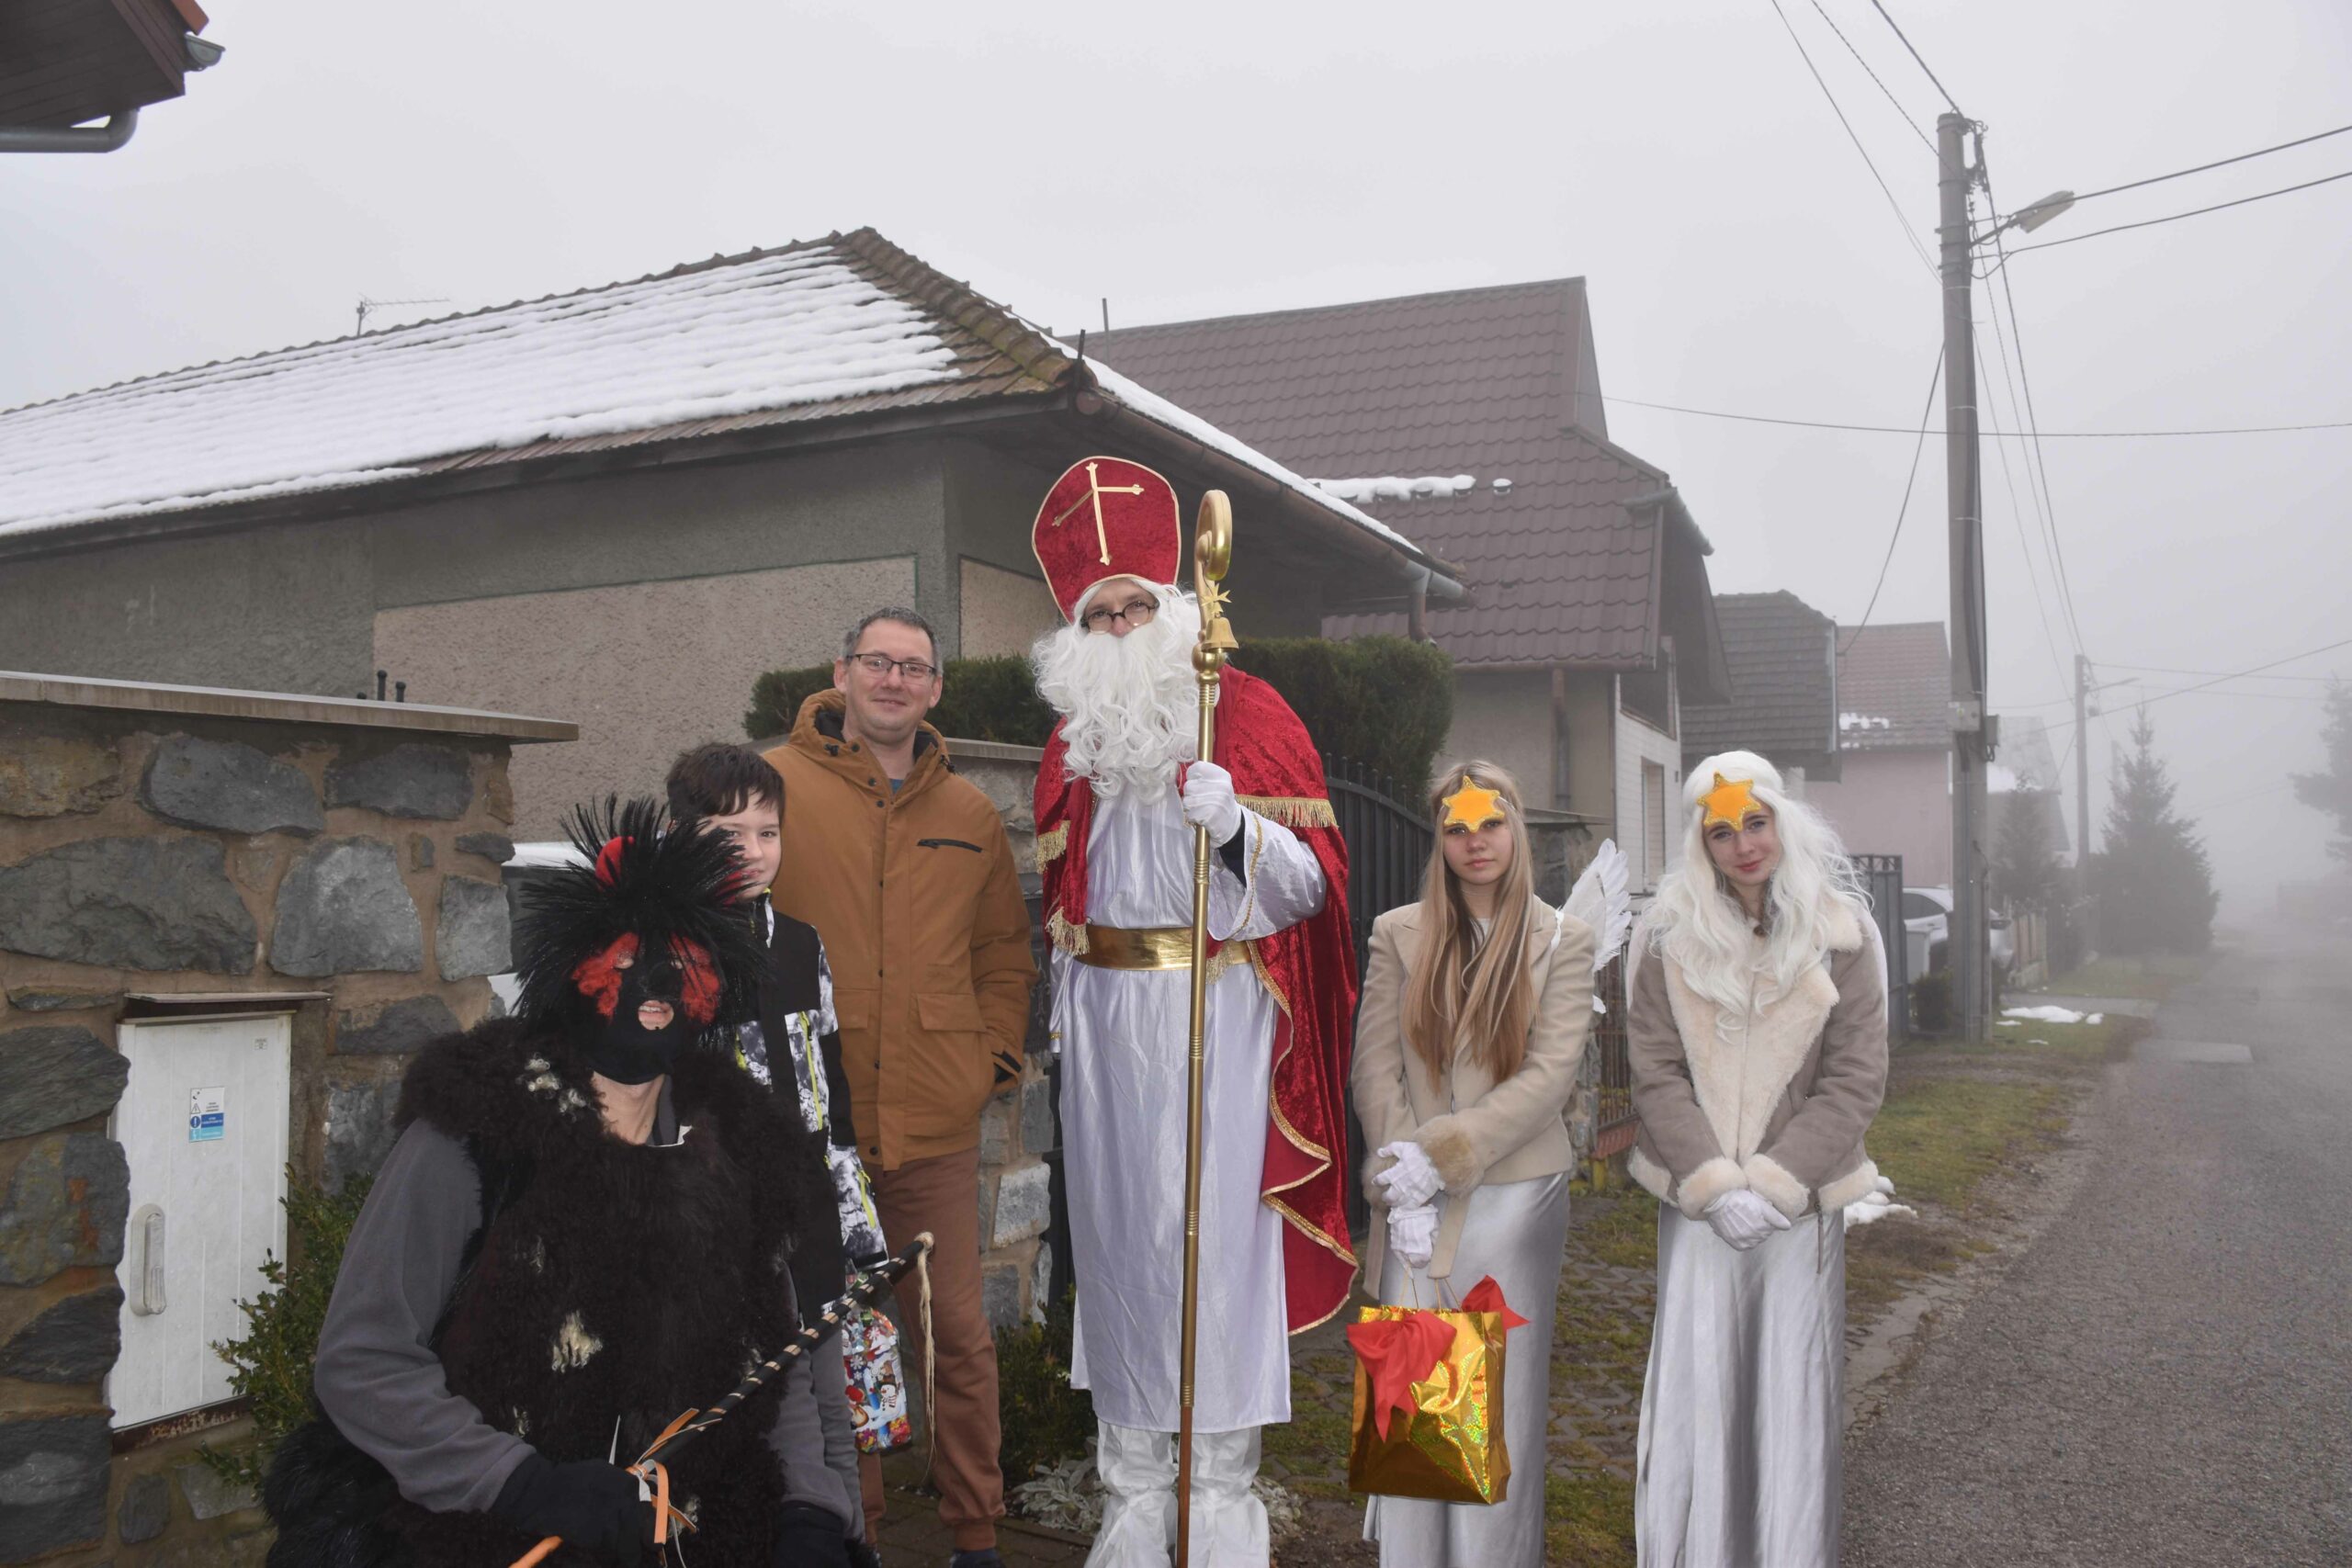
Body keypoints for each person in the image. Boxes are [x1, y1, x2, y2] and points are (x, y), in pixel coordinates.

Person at [267, 797, 855, 1568]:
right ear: (575, 972)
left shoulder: (738, 1151)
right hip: (479, 1536)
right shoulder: (479, 1136)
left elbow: (779, 1367)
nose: (654, 988)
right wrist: (522, 1483)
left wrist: (810, 1509)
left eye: (682, 964)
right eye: (625, 962)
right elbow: (363, 1359)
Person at [1027, 456, 1359, 1568]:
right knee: (1120, 1254)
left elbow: (1310, 892)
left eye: (1134, 607)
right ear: (1076, 633)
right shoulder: (1073, 745)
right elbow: (1062, 908)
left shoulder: (1244, 713)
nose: (1120, 627)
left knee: (1213, 1257)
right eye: (1099, 613)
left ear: (1172, 608)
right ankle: (1133, 1501)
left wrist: (1236, 829)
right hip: (1106, 1035)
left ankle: (1216, 1506)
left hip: (1215, 1017)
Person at [763, 608, 1037, 1568]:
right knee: (829, 1338)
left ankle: (975, 1532)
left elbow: (1004, 952)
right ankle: (857, 1532)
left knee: (954, 1335)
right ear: (840, 671)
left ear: (935, 689)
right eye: (876, 662)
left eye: (913, 668)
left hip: (932, 1125)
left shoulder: (968, 813)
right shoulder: (776, 789)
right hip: (812, 1131)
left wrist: (989, 1061)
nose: (893, 680)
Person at [1351, 761, 1623, 1568]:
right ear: (1439, 838)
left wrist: (1443, 1156)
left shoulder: (1561, 939)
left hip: (1512, 1197)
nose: (1477, 842)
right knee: (1415, 1403)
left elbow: (1548, 1076)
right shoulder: (1396, 932)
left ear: (1517, 829)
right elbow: (1375, 1064)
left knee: (1493, 1407)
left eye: (1492, 823)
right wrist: (1402, 1172)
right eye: (1458, 827)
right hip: (1411, 1201)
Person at [1626, 750, 1890, 1568]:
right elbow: (1654, 1071)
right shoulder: (1667, 938)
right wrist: (1713, 1186)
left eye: (1756, 822)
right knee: (1699, 1392)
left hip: (1796, 1212)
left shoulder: (1844, 934)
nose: (1743, 844)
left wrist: (1775, 1184)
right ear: (1700, 843)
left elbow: (1856, 1076)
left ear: (1782, 821)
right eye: (1722, 831)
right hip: (1700, 1209)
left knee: (1789, 1397)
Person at [666, 741, 890, 1556]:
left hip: (812, 1211)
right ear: (684, 836)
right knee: (756, 1410)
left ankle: (850, 1546)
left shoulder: (800, 942)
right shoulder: (669, 956)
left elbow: (832, 1081)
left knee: (833, 1405)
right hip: (721, 1221)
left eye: (768, 832)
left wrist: (854, 1211)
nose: (754, 851)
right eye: (729, 834)